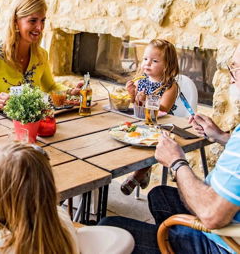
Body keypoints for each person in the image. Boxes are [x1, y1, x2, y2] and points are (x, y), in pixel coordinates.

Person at [99, 44, 240, 254]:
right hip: (224, 221)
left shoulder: (169, 86)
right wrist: (221, 136)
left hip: (219, 243)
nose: (230, 79)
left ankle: (172, 244)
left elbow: (212, 215)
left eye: (235, 70)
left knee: (106, 229)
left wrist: (177, 162)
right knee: (159, 195)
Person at [0, 0, 83, 115]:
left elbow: (51, 87)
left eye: (42, 21)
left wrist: (70, 92)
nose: (39, 27)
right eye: (33, 21)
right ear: (15, 22)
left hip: (25, 126)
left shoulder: (41, 55)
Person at [121, 39, 179, 195]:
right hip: (143, 123)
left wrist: (148, 100)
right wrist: (132, 94)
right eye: (145, 59)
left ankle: (137, 175)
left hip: (162, 126)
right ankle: (144, 171)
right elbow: (136, 105)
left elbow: (164, 109)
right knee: (128, 135)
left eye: (154, 61)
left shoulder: (170, 86)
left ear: (167, 65)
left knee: (153, 143)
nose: (147, 63)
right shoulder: (142, 82)